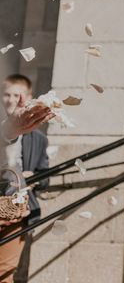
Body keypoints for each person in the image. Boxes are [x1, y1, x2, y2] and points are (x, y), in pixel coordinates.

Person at [0, 85, 53, 283]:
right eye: (7, 94)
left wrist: (10, 131)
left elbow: (44, 173)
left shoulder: (37, 137)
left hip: (13, 211)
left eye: (17, 95)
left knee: (5, 273)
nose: (11, 99)